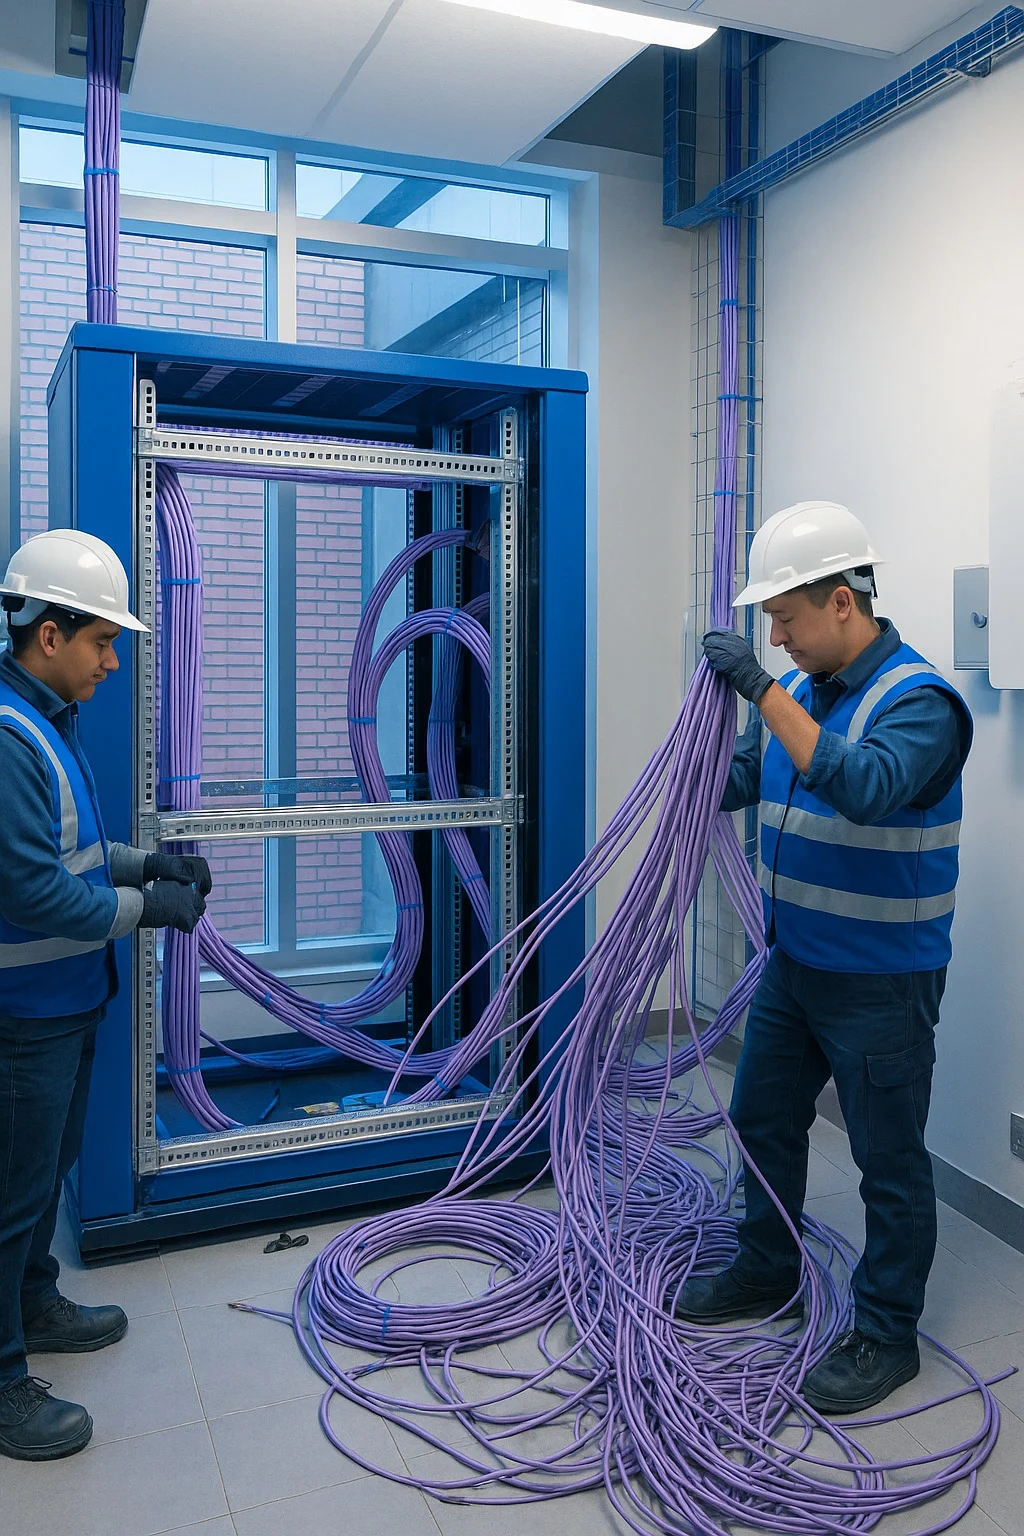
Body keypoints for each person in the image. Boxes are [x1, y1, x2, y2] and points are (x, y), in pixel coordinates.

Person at [676, 501, 973, 1416]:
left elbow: (866, 788)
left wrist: (758, 690)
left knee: (889, 1159)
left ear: (842, 603)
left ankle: (886, 1334)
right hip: (796, 964)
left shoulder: (922, 702)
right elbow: (757, 775)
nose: (777, 637)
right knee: (763, 1118)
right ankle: (767, 1269)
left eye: (786, 619)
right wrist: (690, 767)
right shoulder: (803, 695)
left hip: (882, 979)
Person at [0, 529, 214, 1462]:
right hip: (24, 1018)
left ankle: (34, 1302)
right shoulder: (9, 737)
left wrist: (147, 863)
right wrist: (145, 907)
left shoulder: (46, 718)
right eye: (101, 641)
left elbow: (71, 851)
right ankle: (3, 1384)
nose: (113, 661)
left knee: (37, 1185)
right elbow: (35, 892)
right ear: (50, 634)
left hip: (65, 999)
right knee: (9, 1195)